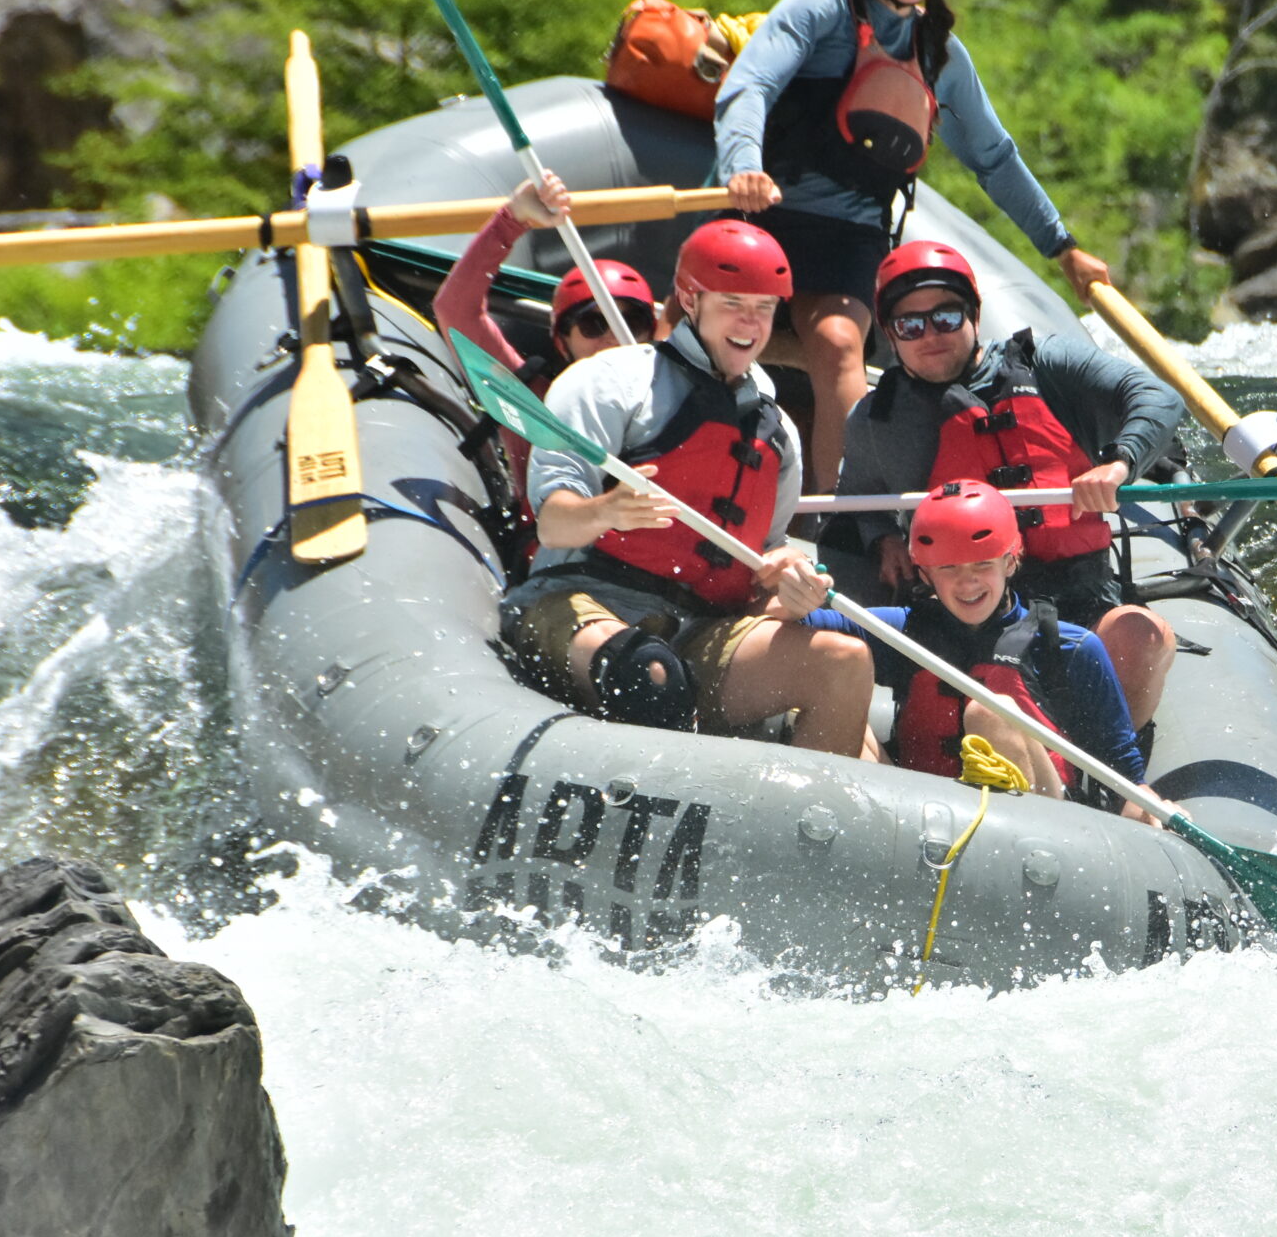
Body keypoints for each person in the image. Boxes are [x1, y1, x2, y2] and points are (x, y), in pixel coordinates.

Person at [713, 0, 1114, 492]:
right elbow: (751, 85)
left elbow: (994, 158)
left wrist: (1060, 246)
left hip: (850, 232)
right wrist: (742, 165)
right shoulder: (823, 7)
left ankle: (842, 525)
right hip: (763, 211)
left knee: (842, 344)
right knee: (706, 334)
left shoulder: (939, 53)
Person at [504, 217, 875, 759]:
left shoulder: (779, 436)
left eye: (765, 307)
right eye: (733, 302)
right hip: (578, 600)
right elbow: (555, 519)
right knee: (650, 673)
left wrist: (789, 585)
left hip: (697, 628)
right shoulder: (611, 382)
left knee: (843, 664)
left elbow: (763, 560)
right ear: (689, 297)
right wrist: (607, 509)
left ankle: (810, 835)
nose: (750, 321)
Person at [835, 239, 1181, 731]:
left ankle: (1109, 775)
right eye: (910, 325)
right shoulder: (877, 420)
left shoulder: (1049, 365)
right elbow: (858, 502)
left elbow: (1158, 397)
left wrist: (1119, 463)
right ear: (891, 335)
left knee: (1144, 637)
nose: (930, 334)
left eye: (947, 317)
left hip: (1079, 590)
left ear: (974, 314)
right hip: (963, 601)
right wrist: (882, 538)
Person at [804, 480, 1158, 818]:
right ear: (925, 574)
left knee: (991, 711)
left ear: (1010, 561)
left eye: (982, 564)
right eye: (948, 568)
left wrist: (1144, 806)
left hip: (1043, 828)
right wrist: (796, 585)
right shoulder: (901, 629)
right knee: (837, 683)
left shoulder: (1071, 647)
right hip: (914, 814)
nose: (967, 581)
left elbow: (1125, 775)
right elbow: (800, 622)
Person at [435, 170, 663, 502]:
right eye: (593, 325)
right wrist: (511, 220)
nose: (614, 338)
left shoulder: (674, 397)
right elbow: (455, 311)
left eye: (631, 323)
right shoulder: (530, 401)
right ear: (562, 342)